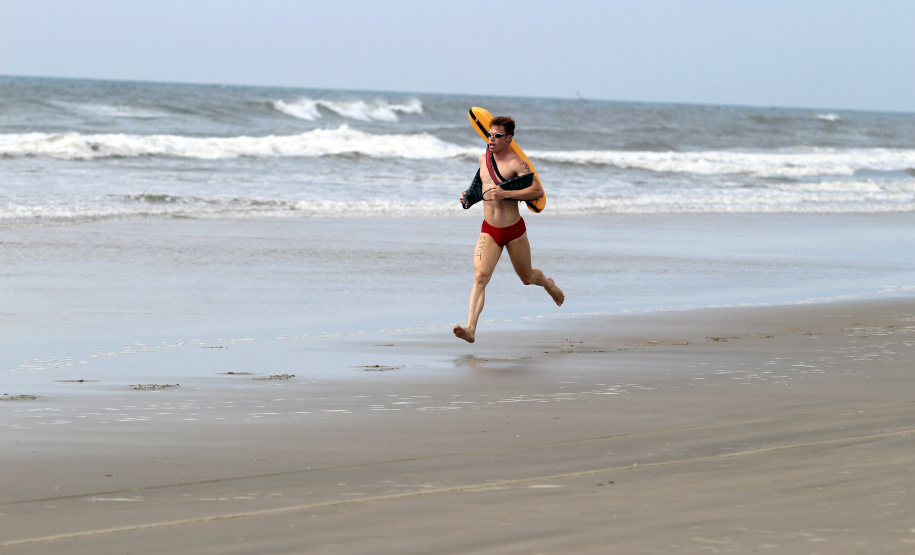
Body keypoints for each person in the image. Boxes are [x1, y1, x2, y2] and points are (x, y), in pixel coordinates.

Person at [453, 116, 564, 343]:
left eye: (497, 136)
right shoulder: (483, 159)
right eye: (490, 135)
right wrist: (467, 197)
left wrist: (507, 194)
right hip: (489, 229)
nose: (491, 139)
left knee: (527, 277)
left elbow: (537, 191)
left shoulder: (516, 164)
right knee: (480, 277)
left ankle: (547, 284)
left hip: (514, 231)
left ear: (509, 138)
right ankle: (471, 328)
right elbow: (480, 187)